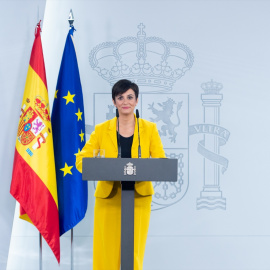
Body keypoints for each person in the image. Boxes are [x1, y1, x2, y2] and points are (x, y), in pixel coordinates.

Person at [76, 79, 166, 270]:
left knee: (133, 250)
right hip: (109, 198)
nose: (126, 101)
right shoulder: (101, 130)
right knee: (107, 251)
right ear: (114, 101)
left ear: (137, 100)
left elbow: (161, 162)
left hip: (139, 197)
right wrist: (100, 165)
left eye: (130, 97)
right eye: (120, 97)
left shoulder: (149, 129)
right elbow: (80, 161)